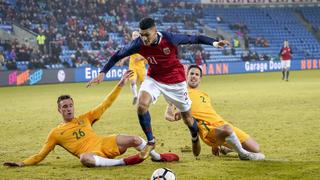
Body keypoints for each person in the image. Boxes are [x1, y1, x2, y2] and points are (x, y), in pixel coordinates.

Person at [87, 17, 229, 159]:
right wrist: (103, 72)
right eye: (141, 35)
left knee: (188, 119)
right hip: (154, 78)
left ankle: (194, 136)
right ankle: (151, 141)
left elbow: (195, 38)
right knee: (141, 106)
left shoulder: (170, 38)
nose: (143, 38)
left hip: (176, 82)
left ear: (155, 31)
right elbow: (118, 55)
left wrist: (215, 43)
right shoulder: (138, 44)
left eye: (146, 35)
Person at [3, 70, 178, 168]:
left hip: (104, 143)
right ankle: (122, 163)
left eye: (70, 105)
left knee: (134, 139)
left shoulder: (85, 118)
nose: (69, 109)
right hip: (93, 155)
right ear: (59, 110)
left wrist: (120, 84)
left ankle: (157, 156)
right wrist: (21, 163)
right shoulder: (56, 133)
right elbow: (40, 155)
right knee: (84, 159)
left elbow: (105, 104)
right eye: (65, 107)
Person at [165, 65, 265, 160]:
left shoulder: (205, 95)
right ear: (187, 76)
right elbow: (169, 116)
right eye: (191, 74)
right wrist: (177, 111)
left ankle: (225, 149)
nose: (193, 76)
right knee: (227, 129)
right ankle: (243, 154)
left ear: (200, 79)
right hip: (208, 131)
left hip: (221, 125)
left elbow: (209, 113)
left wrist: (217, 143)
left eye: (197, 75)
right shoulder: (180, 94)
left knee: (256, 149)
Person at [120, 31, 147, 105]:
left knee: (143, 83)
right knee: (132, 82)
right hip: (132, 67)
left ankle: (141, 97)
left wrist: (140, 58)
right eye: (133, 35)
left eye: (136, 35)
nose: (135, 36)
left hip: (141, 67)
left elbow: (147, 55)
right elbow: (127, 54)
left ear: (139, 36)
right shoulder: (130, 46)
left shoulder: (143, 45)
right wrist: (122, 60)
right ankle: (135, 96)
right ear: (132, 37)